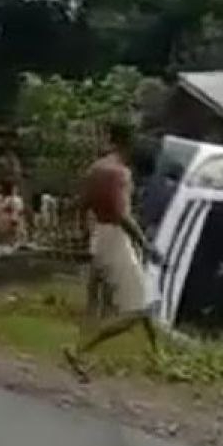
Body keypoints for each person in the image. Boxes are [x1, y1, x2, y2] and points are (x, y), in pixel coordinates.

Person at [63, 121, 165, 382]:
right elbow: (122, 215)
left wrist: (85, 234)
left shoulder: (96, 169)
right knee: (136, 311)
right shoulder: (119, 173)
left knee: (140, 296)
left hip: (100, 235)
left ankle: (158, 354)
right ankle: (79, 351)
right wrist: (145, 245)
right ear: (129, 143)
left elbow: (81, 204)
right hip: (116, 238)